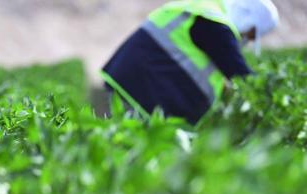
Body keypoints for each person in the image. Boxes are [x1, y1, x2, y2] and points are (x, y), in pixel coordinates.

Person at [101, 0, 279, 124]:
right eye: (250, 34)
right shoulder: (216, 24)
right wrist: (273, 95)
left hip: (136, 83)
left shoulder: (209, 11)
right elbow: (240, 74)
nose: (245, 39)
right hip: (140, 88)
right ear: (249, 21)